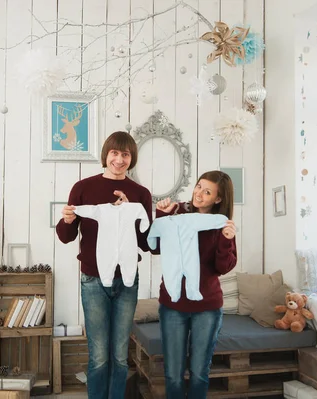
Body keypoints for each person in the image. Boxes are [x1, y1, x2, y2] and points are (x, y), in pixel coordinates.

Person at [55, 131, 152, 399]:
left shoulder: (141, 194)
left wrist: (142, 214)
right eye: (115, 153)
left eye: (125, 154)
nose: (119, 160)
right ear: (105, 154)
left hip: (127, 280)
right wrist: (66, 219)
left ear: (131, 158)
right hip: (93, 280)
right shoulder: (83, 188)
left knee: (120, 355)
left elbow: (147, 243)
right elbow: (67, 237)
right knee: (98, 355)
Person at [154, 170, 237, 399]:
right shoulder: (177, 212)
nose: (199, 193)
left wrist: (226, 240)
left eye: (207, 191)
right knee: (173, 374)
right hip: (173, 305)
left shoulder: (221, 224)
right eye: (199, 186)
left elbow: (224, 266)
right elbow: (155, 248)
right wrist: (161, 215)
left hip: (207, 308)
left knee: (200, 372)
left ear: (218, 199)